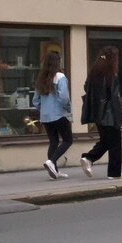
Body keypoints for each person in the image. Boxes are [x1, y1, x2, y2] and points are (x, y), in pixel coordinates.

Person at [80, 46, 122, 179]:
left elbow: (86, 88)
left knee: (106, 140)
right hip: (110, 113)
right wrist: (120, 116)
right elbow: (115, 97)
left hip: (97, 113)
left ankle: (89, 158)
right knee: (115, 143)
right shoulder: (112, 74)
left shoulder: (94, 73)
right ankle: (113, 172)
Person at [31, 50, 72, 180]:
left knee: (53, 142)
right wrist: (67, 108)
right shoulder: (60, 77)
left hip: (46, 116)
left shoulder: (41, 78)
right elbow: (64, 98)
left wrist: (43, 109)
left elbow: (35, 100)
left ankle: (54, 172)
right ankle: (52, 161)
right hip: (59, 114)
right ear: (57, 62)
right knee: (67, 140)